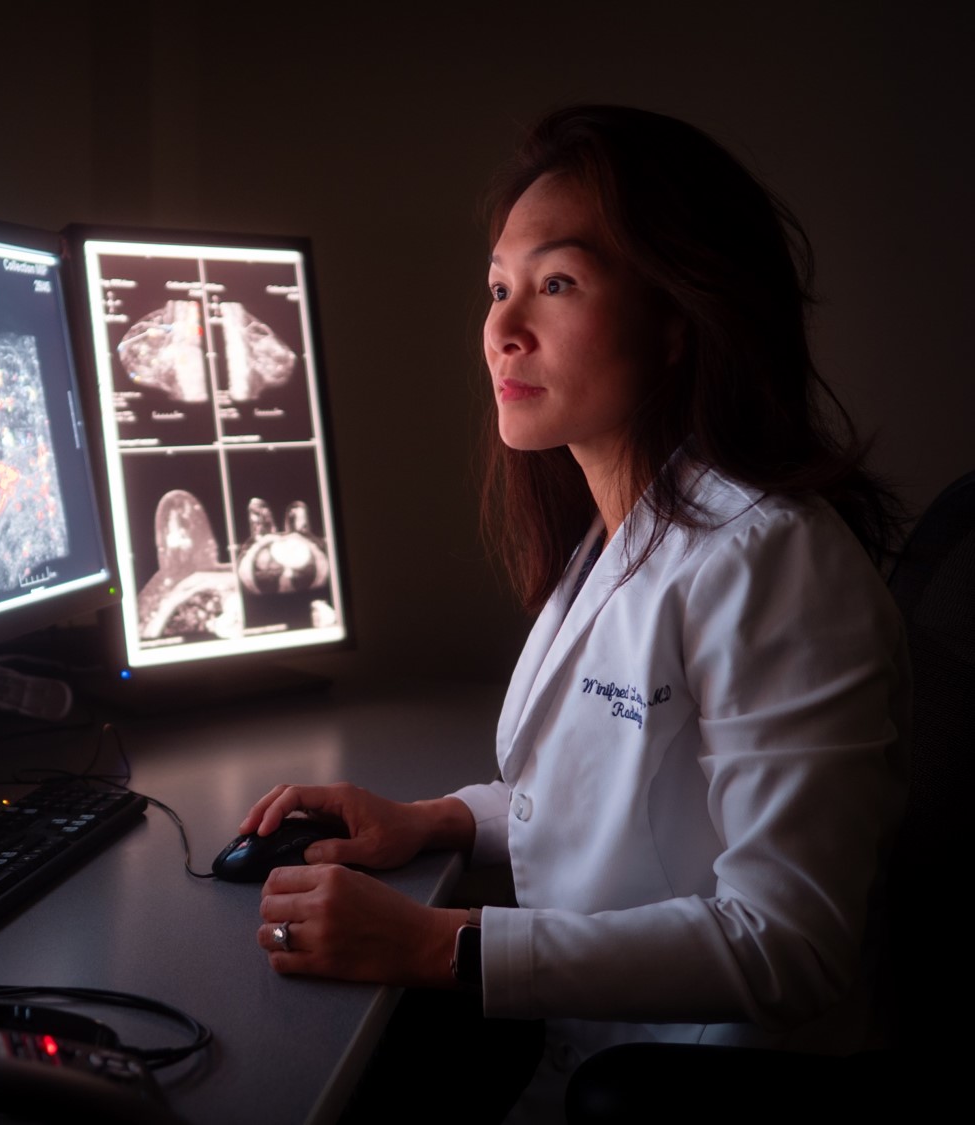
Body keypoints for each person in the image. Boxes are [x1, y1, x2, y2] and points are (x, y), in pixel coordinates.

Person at [238, 105, 909, 1123]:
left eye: (557, 284)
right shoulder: (624, 530)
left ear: (679, 315)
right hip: (588, 1060)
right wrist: (435, 820)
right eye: (499, 287)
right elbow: (622, 796)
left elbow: (789, 945)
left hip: (698, 1089)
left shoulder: (773, 559)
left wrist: (436, 942)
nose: (505, 328)